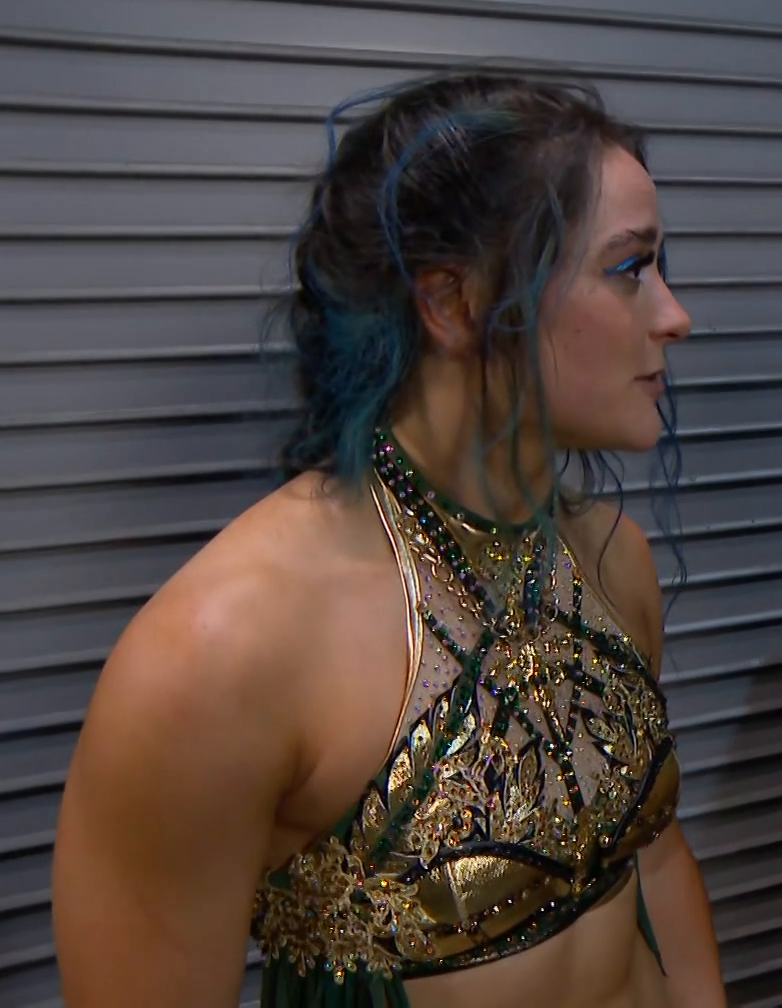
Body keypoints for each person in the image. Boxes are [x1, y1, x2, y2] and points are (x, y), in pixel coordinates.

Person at [51, 72, 725, 1008]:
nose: (675, 316)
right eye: (629, 269)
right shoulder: (224, 651)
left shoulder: (613, 560)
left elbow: (655, 862)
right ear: (452, 303)